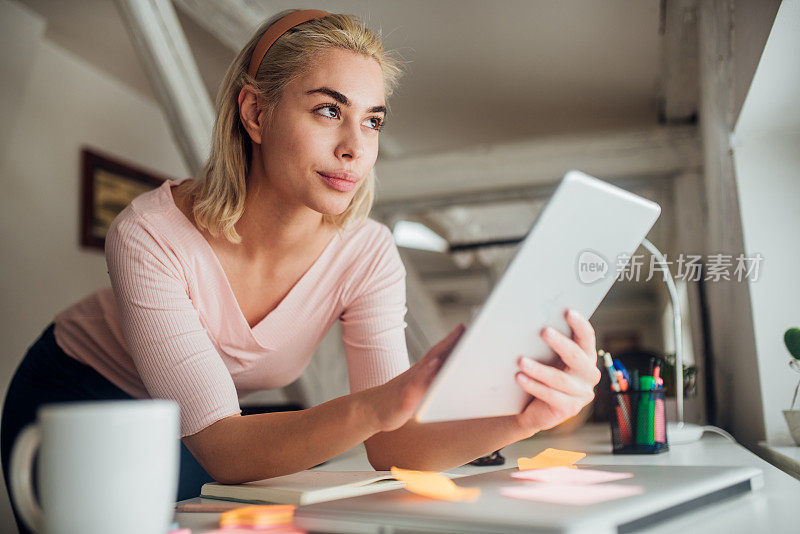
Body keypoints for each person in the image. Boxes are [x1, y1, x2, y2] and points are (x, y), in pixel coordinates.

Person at [2, 9, 601, 532]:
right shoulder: (150, 233)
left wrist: (525, 418)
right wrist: (376, 406)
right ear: (256, 113)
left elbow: (392, 446)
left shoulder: (365, 254)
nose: (355, 148)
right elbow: (223, 447)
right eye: (327, 111)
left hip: (209, 425)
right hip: (81, 397)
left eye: (372, 120)